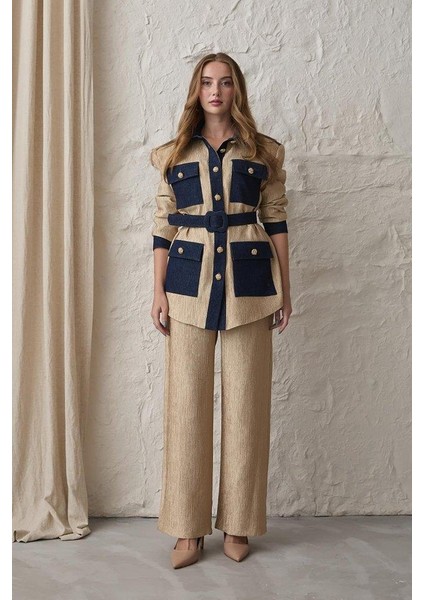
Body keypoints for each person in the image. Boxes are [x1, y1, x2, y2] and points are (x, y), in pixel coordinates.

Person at [150, 52, 292, 569]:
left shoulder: (264, 152)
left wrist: (286, 289)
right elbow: (163, 225)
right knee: (186, 408)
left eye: (225, 82)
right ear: (197, 90)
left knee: (247, 408)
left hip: (250, 286)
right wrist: (157, 291)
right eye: (207, 82)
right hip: (187, 288)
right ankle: (187, 530)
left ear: (237, 90)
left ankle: (239, 523)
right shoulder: (173, 153)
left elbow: (276, 219)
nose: (216, 91)